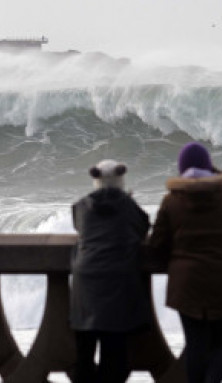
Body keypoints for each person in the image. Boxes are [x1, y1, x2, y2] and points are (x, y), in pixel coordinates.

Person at [148, 142, 222, 383]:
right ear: (209, 166)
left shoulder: (171, 201)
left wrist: (177, 258)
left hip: (186, 285)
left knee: (195, 346)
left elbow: (156, 244)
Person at [70, 159, 152, 383]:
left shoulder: (82, 206)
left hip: (85, 283)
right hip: (118, 282)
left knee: (84, 355)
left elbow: (78, 225)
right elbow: (143, 225)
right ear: (121, 178)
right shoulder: (127, 206)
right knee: (114, 355)